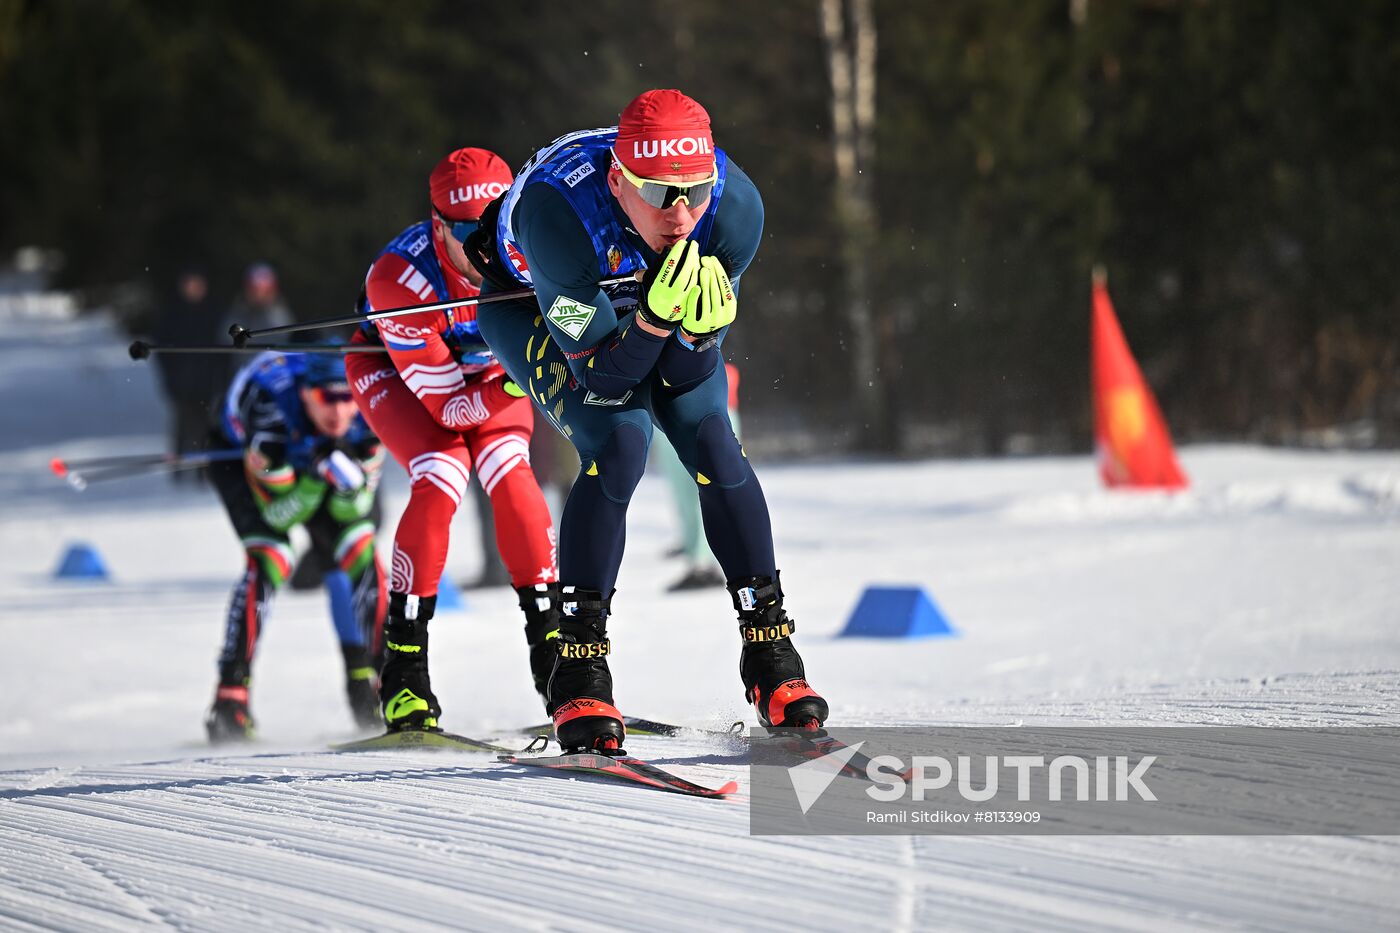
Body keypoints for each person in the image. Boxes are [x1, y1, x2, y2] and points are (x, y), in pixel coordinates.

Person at [468, 89, 829, 752]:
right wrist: (659, 321)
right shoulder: (559, 216)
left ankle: (770, 653)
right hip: (534, 302)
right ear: (618, 181)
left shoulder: (735, 210)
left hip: (635, 300)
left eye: (695, 190)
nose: (683, 212)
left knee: (716, 444)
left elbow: (684, 381)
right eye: (662, 193)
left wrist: (694, 338)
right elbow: (603, 378)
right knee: (621, 442)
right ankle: (578, 664)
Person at [344, 147, 560, 732]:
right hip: (400, 375)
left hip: (491, 375)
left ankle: (556, 661)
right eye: (468, 232)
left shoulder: (537, 241)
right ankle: (404, 674)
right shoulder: (400, 279)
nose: (484, 244)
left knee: (511, 472)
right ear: (439, 225)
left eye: (498, 223)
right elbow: (453, 409)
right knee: (441, 476)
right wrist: (525, 377)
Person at [205, 351, 388, 742]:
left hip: (310, 467)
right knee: (271, 558)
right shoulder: (270, 415)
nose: (339, 412)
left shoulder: (371, 413)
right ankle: (230, 699)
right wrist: (314, 476)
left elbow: (355, 508)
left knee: (358, 549)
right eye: (327, 398)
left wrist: (346, 480)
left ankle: (380, 684)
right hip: (238, 457)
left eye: (346, 398)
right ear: (306, 394)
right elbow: (279, 516)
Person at [652, 361, 741, 591]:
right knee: (685, 493)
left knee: (701, 491)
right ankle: (696, 551)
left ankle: (704, 562)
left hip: (696, 413)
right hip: (671, 413)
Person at [153, 267, 222, 482]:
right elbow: (162, 350)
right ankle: (179, 472)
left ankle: (204, 472)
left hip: (206, 383)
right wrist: (172, 377)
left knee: (206, 428)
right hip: (182, 383)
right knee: (182, 428)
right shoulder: (173, 315)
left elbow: (220, 351)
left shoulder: (213, 314)